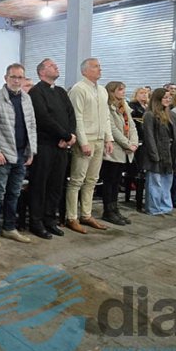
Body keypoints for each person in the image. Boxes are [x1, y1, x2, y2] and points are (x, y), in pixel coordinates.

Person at [0, 63, 36, 247]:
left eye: (20, 77)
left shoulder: (27, 99)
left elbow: (32, 125)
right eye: (13, 77)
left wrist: (32, 150)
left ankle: (9, 227)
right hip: (3, 155)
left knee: (14, 193)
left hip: (21, 154)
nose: (16, 80)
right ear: (6, 78)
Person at [27, 59, 76, 240]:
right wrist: (64, 135)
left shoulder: (61, 92)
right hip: (45, 145)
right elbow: (43, 118)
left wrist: (70, 135)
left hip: (62, 147)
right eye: (51, 65)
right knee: (40, 185)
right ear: (41, 72)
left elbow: (71, 114)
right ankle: (36, 222)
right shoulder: (36, 92)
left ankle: (50, 219)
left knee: (56, 185)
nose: (56, 67)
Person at [65, 58, 114, 234]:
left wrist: (109, 138)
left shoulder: (102, 90)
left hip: (100, 139)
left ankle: (86, 214)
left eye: (99, 66)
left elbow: (106, 116)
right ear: (85, 71)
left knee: (92, 180)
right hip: (86, 140)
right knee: (77, 180)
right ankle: (72, 217)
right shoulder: (79, 89)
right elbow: (76, 118)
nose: (99, 69)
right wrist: (83, 142)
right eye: (95, 67)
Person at [100, 81, 139, 224]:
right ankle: (108, 210)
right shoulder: (107, 107)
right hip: (114, 149)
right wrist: (127, 143)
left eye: (124, 89)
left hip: (126, 149)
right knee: (109, 181)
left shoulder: (124, 106)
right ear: (111, 91)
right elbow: (111, 128)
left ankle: (115, 208)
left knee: (116, 181)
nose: (123, 92)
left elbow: (132, 125)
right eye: (120, 89)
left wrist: (134, 143)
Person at [142, 89, 176, 216]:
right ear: (157, 99)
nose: (168, 99)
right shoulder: (150, 115)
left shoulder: (171, 115)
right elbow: (149, 136)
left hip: (169, 152)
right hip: (156, 153)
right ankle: (154, 208)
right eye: (165, 97)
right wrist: (154, 155)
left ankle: (165, 206)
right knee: (155, 182)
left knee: (167, 181)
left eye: (169, 97)